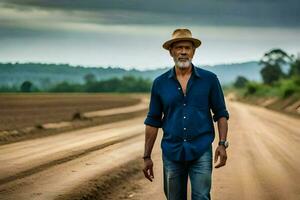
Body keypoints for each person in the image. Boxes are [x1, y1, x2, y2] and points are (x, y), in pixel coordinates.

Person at [142, 28, 230, 200]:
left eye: (187, 48)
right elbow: (153, 121)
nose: (183, 52)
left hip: (201, 149)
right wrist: (146, 156)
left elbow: (221, 113)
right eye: (179, 47)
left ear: (193, 51)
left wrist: (222, 144)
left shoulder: (209, 80)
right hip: (172, 151)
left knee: (202, 197)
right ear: (171, 52)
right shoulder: (159, 83)